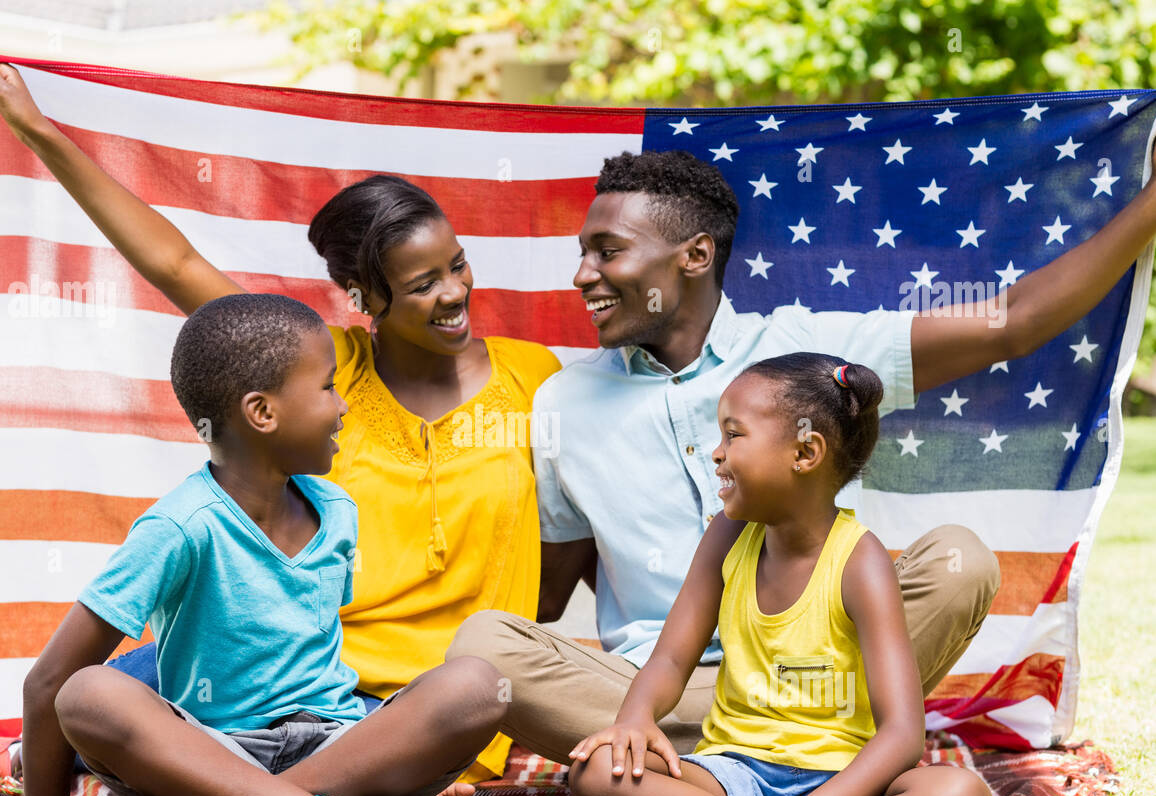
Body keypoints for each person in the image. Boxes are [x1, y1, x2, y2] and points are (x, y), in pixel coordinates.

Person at [0, 57, 561, 790]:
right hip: (278, 673)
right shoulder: (322, 369)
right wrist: (42, 136)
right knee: (102, 691)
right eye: (425, 284)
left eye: (458, 266)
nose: (456, 293)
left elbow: (564, 549)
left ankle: (201, 792)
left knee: (453, 702)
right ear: (365, 296)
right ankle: (27, 758)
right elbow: (174, 262)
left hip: (401, 706)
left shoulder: (535, 379)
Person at [450, 144, 1156, 763]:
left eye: (607, 251)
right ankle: (785, 756)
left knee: (959, 562)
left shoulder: (805, 352)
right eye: (584, 253)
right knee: (489, 644)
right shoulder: (562, 402)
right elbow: (544, 592)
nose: (582, 275)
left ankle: (737, 763)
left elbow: (1012, 324)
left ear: (694, 255)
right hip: (658, 690)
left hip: (822, 671)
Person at [0, 293, 506, 796]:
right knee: (88, 694)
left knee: (479, 685)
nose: (345, 406)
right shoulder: (180, 527)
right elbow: (48, 683)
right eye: (329, 386)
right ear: (262, 413)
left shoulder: (337, 511)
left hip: (339, 745)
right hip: (210, 756)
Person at [567, 353, 994, 796]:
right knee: (596, 774)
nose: (716, 454)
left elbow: (902, 734)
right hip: (731, 776)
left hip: (841, 787)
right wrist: (634, 719)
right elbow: (671, 660)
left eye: (733, 436)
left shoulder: (861, 562)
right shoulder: (727, 536)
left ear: (805, 452)